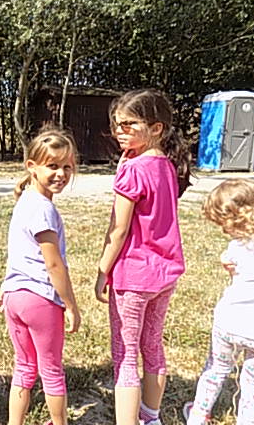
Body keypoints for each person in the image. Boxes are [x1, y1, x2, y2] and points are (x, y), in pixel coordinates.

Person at [94, 89, 192, 425]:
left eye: (128, 124)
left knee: (124, 356)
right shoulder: (167, 165)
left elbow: (118, 228)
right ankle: (151, 417)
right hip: (165, 274)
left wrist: (102, 270)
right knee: (152, 347)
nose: (119, 131)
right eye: (117, 125)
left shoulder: (134, 170)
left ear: (156, 128)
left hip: (133, 277)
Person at [0, 127, 81, 425]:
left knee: (24, 367)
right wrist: (71, 305)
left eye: (67, 167)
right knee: (52, 370)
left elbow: (16, 251)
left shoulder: (25, 200)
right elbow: (54, 264)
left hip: (14, 297)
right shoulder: (44, 209)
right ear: (31, 167)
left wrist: (5, 288)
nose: (61, 174)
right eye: (53, 166)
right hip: (40, 300)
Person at [183, 178, 254, 425]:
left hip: (229, 323)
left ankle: (198, 415)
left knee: (215, 370)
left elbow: (230, 262)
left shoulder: (235, 249)